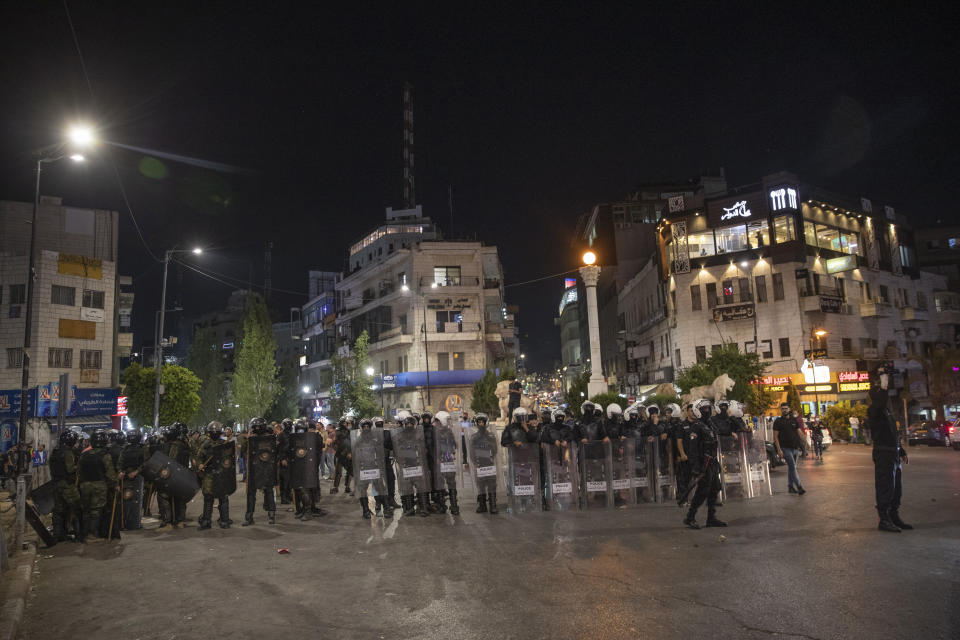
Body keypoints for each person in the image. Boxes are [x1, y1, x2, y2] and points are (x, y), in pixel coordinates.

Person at [869, 364, 912, 532]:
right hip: (883, 452)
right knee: (885, 486)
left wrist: (901, 450)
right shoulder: (874, 410)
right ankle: (884, 519)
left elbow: (894, 433)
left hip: (893, 452)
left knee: (896, 488)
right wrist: (883, 381)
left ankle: (894, 515)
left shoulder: (887, 411)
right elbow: (879, 401)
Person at [682, 401, 726, 529]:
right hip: (702, 462)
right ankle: (690, 517)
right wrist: (696, 467)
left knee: (715, 487)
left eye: (708, 408)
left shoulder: (710, 424)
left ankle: (711, 517)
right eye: (703, 408)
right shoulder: (696, 426)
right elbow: (693, 449)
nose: (706, 410)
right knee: (703, 491)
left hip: (712, 461)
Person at [77, 430, 118, 543]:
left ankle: (84, 534)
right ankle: (92, 534)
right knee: (96, 510)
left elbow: (78, 472)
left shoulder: (84, 455)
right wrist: (115, 484)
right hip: (99, 486)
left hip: (84, 486)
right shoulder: (105, 455)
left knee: (86, 509)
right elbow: (110, 473)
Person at [196, 421, 236, 530]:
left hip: (222, 474)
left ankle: (224, 520)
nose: (214, 433)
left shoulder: (224, 445)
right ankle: (206, 521)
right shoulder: (205, 445)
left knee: (223, 497)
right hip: (209, 474)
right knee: (208, 498)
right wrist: (200, 464)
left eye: (216, 431)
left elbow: (230, 459)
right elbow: (199, 457)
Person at [241, 417, 278, 526]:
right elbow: (243, 450)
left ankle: (271, 515)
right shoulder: (251, 439)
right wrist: (248, 438)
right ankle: (249, 517)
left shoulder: (270, 438)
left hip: (266, 469)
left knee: (269, 492)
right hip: (253, 470)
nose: (256, 429)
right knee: (251, 494)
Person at [49, 430, 81, 541]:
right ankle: (79, 535)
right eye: (76, 441)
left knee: (59, 510)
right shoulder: (68, 452)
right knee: (77, 508)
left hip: (56, 484)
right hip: (67, 485)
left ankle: (58, 535)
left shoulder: (55, 452)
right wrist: (79, 466)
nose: (77, 443)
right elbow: (70, 469)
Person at [468, 413, 499, 514]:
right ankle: (482, 505)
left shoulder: (491, 436)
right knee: (480, 485)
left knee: (492, 485)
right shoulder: (473, 437)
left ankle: (493, 505)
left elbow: (495, 450)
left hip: (489, 463)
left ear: (486, 423)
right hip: (479, 463)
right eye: (478, 422)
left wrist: (489, 446)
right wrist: (474, 462)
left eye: (482, 422)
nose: (480, 424)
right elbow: (471, 451)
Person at [773, 403, 806, 495]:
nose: (784, 410)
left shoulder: (794, 420)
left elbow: (799, 432)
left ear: (789, 409)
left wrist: (806, 442)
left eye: (786, 408)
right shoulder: (778, 421)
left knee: (792, 468)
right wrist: (779, 450)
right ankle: (799, 487)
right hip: (785, 448)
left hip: (795, 447)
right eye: (782, 409)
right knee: (792, 467)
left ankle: (790, 486)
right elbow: (775, 437)